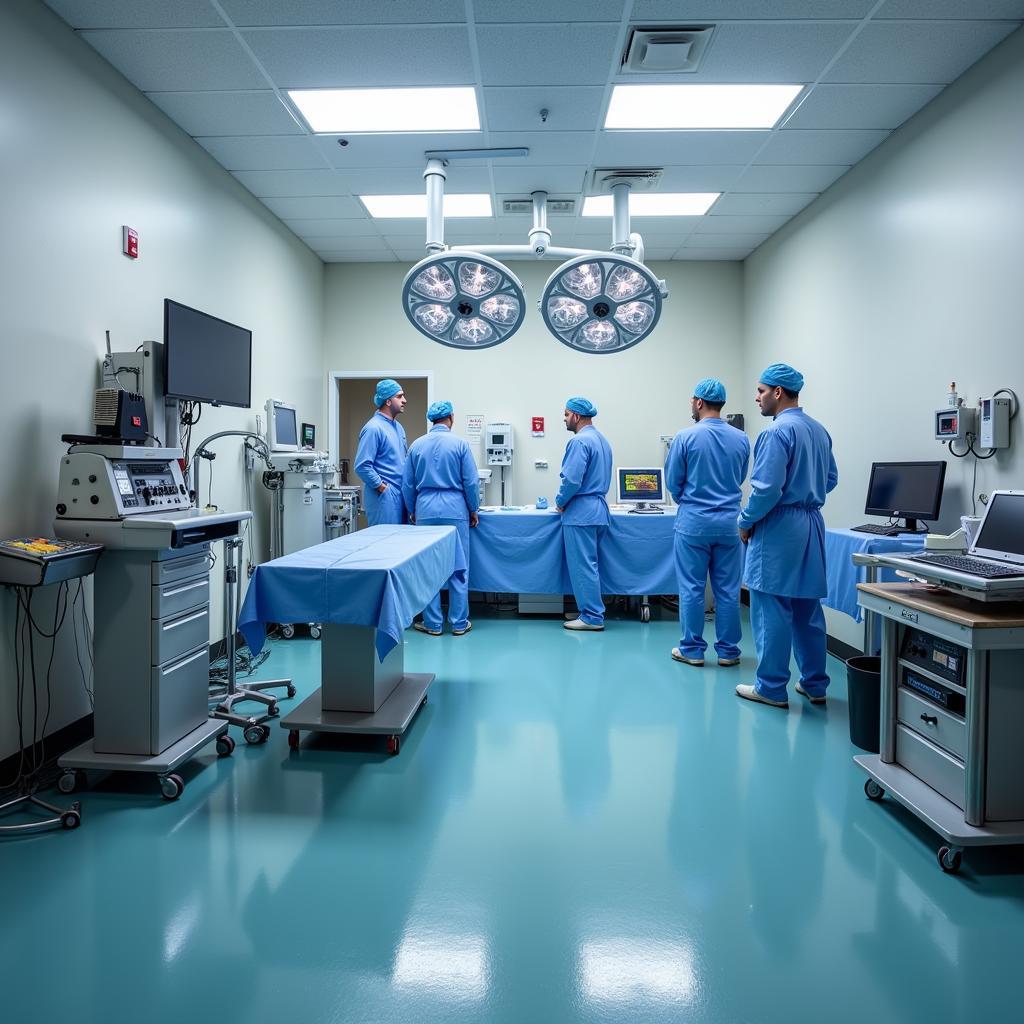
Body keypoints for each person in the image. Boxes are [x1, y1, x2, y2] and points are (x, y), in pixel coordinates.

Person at [736, 363, 838, 709]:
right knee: (808, 607)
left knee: (771, 608)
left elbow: (765, 490)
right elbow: (831, 479)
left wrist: (746, 521)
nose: (757, 397)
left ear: (778, 392)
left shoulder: (776, 433)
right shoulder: (819, 430)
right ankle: (815, 683)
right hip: (810, 523)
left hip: (779, 525)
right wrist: (805, 491)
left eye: (761, 391)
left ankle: (771, 687)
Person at [665, 377, 751, 668]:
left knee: (691, 588)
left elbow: (673, 482)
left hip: (693, 524)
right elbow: (739, 477)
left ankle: (692, 650)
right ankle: (728, 652)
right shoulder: (741, 439)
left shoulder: (685, 437)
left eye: (692, 401)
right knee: (727, 591)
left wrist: (690, 500)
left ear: (699, 402)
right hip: (729, 524)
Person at [401, 401, 480, 636]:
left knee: (427, 569)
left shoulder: (416, 445)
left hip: (425, 509)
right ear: (451, 418)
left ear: (431, 420)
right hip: (455, 509)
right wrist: (473, 509)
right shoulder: (460, 444)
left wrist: (412, 509)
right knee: (458, 567)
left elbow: (408, 484)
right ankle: (458, 622)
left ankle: (433, 623)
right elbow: (471, 482)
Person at [556, 397, 613, 632]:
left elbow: (571, 480)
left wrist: (560, 501)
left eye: (567, 414)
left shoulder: (579, 442)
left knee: (583, 566)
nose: (564, 418)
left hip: (581, 513)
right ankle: (589, 610)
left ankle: (592, 616)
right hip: (598, 510)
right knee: (591, 564)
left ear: (577, 416)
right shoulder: (602, 440)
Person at [354, 378, 408, 526]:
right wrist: (382, 487)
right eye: (399, 396)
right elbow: (362, 466)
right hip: (384, 498)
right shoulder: (373, 428)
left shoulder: (399, 428)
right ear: (388, 401)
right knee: (385, 545)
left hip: (400, 495)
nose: (404, 400)